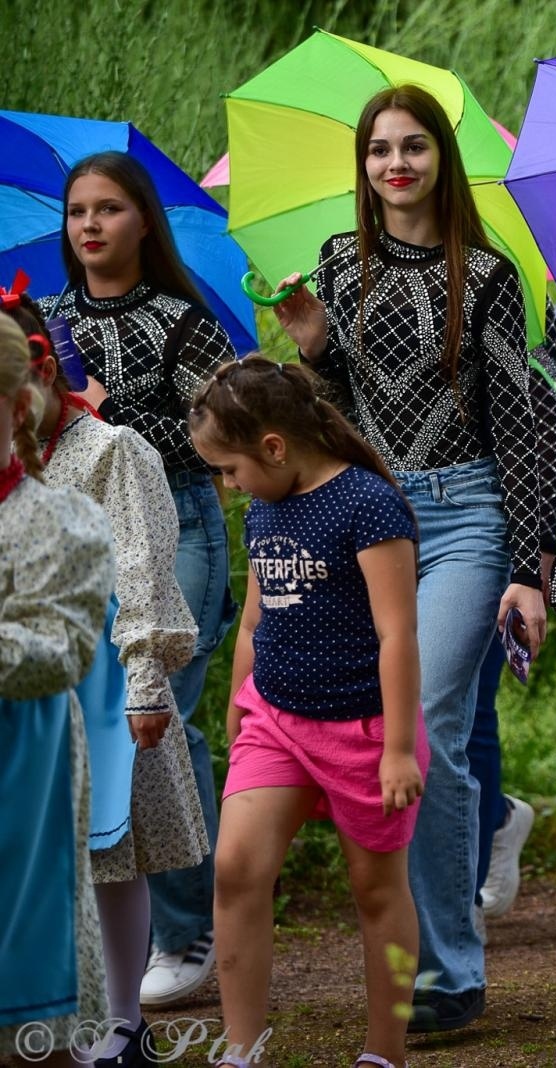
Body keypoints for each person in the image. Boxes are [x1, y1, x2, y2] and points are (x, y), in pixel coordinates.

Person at [272, 85, 556, 1031]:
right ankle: (401, 951)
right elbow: (329, 423)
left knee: (429, 727)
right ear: (362, 168)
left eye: (413, 147)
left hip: (468, 516)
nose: (395, 164)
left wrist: (533, 562)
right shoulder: (334, 269)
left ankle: (447, 974)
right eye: (379, 151)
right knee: (378, 739)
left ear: (441, 157)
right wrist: (315, 353)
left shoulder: (484, 275)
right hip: (372, 523)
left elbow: (520, 425)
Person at [192, 357, 426, 1068]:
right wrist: (241, 699)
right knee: (235, 866)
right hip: (276, 718)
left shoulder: (366, 505)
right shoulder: (267, 499)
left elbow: (397, 633)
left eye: (230, 470)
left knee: (374, 886)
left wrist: (396, 750)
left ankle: (384, 1052)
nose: (230, 490)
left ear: (273, 446)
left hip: (363, 728)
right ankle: (240, 1049)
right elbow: (259, 610)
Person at [49, 150, 235, 1006]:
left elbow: (223, 432)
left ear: (142, 223)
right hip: (73, 537)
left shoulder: (182, 322)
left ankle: (190, 930)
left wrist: (108, 411)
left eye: (110, 209)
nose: (91, 225)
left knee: (163, 716)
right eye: (79, 210)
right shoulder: (40, 321)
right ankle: (96, 925)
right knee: (85, 723)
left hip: (180, 526)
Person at [6, 288, 207, 1063]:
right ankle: (58, 1011)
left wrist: (147, 681)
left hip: (105, 681)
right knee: (50, 851)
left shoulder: (112, 450)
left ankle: (123, 1020)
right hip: (32, 689)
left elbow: (145, 565)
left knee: (112, 849)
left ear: (45, 372)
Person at [0, 313, 116, 1067]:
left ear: (17, 408)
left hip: (18, 777)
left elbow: (59, 650)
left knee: (28, 1026)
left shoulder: (52, 521)